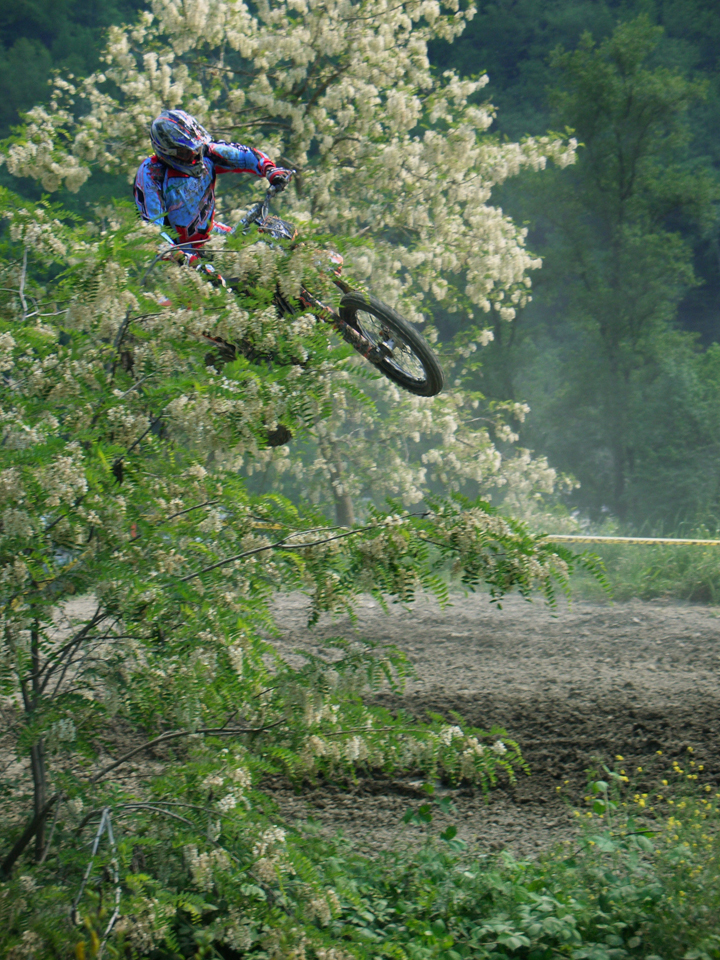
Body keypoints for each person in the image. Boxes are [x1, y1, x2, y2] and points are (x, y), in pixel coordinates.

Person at [133, 109, 292, 249]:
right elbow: (154, 231)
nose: (194, 155)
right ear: (167, 152)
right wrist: (185, 260)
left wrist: (270, 170)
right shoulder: (152, 173)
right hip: (179, 251)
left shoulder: (207, 153)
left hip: (209, 234)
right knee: (221, 278)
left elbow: (245, 155)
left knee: (272, 237)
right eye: (185, 152)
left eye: (195, 148)